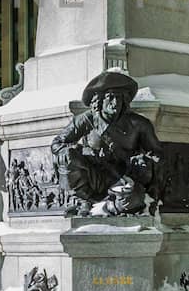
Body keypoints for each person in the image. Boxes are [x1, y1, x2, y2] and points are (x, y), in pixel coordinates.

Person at [51, 70, 164, 216]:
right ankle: (85, 201)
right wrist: (71, 151)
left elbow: (157, 154)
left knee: (133, 201)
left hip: (124, 179)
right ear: (99, 101)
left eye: (119, 98)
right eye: (110, 98)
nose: (115, 103)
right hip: (93, 177)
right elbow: (57, 143)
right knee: (67, 157)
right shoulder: (85, 120)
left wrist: (144, 161)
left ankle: (109, 207)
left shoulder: (139, 124)